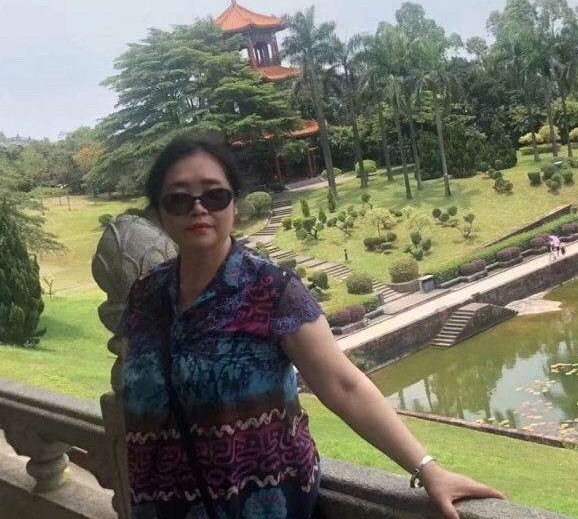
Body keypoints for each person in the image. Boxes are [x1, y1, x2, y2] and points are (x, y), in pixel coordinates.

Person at [119, 136, 506, 519]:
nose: (198, 208)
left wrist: (428, 469)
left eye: (215, 195)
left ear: (234, 205)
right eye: (179, 199)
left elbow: (343, 384)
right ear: (159, 212)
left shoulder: (271, 290)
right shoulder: (145, 294)